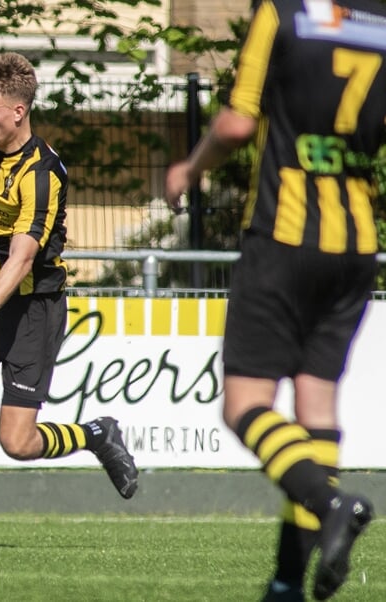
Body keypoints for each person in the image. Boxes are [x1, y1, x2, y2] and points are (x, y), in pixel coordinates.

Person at [165, 0, 386, 598]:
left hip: (286, 238)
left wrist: (189, 168)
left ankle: (332, 503)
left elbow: (238, 124)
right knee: (316, 412)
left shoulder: (284, 11)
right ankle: (288, 582)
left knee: (243, 404)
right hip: (357, 245)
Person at [0, 52, 140, 548]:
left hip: (32, 306)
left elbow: (21, 258)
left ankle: (96, 434)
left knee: (16, 442)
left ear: (18, 111)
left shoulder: (44, 172)